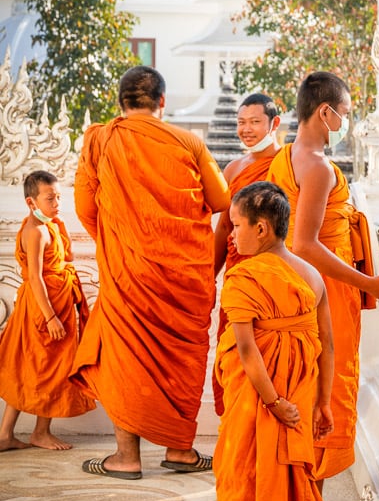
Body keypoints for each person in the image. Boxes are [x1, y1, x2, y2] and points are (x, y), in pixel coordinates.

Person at [70, 65, 230, 479]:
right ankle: (180, 450)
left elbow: (85, 207)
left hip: (130, 275)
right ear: (162, 102)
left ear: (120, 102)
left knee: (127, 357)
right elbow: (220, 199)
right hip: (185, 276)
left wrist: (124, 236)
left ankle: (127, 458)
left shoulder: (102, 139)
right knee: (183, 359)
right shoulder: (188, 142)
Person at [267, 70, 379, 501]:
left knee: (307, 398)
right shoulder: (319, 167)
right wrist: (369, 282)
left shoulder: (286, 157)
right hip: (323, 297)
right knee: (324, 398)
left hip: (299, 294)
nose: (346, 121)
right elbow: (304, 243)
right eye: (344, 114)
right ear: (324, 112)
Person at [214, 181, 335, 501]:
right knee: (284, 477)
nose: (231, 235)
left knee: (255, 476)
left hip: (264, 400)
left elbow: (247, 350)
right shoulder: (311, 274)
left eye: (237, 226)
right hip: (302, 397)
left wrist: (272, 403)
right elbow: (328, 343)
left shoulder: (244, 276)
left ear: (262, 229)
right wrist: (323, 403)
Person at [0, 170, 93, 452]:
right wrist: (51, 316)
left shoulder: (51, 224)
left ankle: (8, 434)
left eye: (58, 197)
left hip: (57, 303)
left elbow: (66, 258)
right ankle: (38, 432)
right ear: (31, 202)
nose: (56, 203)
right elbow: (37, 277)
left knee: (37, 367)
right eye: (50, 198)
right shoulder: (36, 231)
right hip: (44, 310)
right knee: (46, 368)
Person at [212, 92, 281, 414]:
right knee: (232, 354)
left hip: (274, 279)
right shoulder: (233, 168)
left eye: (255, 122)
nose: (247, 129)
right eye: (241, 122)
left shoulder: (287, 167)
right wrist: (208, 276)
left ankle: (266, 432)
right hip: (237, 277)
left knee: (270, 355)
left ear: (274, 124)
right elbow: (224, 228)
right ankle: (235, 434)